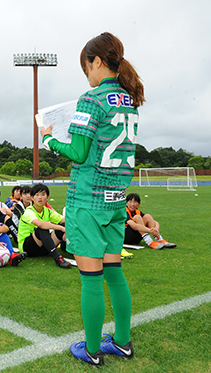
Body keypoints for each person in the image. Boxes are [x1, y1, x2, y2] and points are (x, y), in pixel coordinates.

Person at [41, 32, 144, 366]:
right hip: (116, 201)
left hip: (88, 201)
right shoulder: (129, 100)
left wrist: (49, 140)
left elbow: (80, 152)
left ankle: (92, 350)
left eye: (86, 66)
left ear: (97, 61)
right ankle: (123, 342)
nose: (86, 74)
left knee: (90, 279)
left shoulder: (92, 99)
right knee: (114, 273)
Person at [16, 184, 70, 268]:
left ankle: (78, 251)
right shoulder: (28, 211)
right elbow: (39, 224)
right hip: (28, 249)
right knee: (42, 228)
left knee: (65, 225)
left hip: (44, 249)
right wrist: (62, 228)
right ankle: (57, 258)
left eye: (43, 194)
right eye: (37, 195)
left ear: (47, 198)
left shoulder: (47, 211)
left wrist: (66, 228)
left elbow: (65, 220)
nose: (40, 197)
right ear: (32, 198)